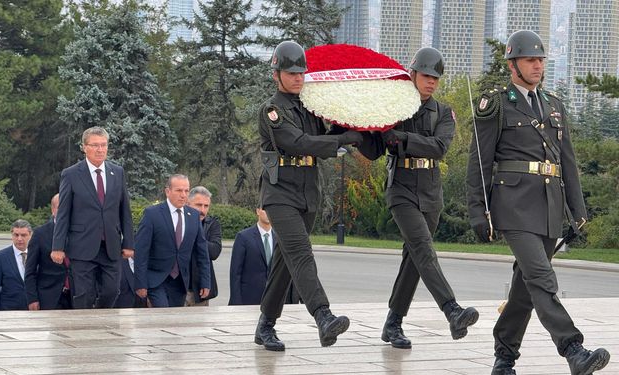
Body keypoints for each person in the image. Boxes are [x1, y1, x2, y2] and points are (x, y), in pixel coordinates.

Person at [467, 30, 610, 375]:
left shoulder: (554, 105)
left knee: (525, 287)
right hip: (512, 204)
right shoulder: (496, 103)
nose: (537, 66)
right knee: (542, 276)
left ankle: (504, 356)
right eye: (531, 60)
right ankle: (572, 348)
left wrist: (578, 209)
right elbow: (480, 160)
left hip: (549, 207)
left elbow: (567, 162)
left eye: (541, 60)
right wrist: (478, 210)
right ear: (513, 64)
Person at [359, 47, 479, 349]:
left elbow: (438, 147)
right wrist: (359, 130)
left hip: (430, 192)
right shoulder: (393, 109)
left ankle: (392, 325)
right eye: (426, 76)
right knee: (423, 249)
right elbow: (374, 151)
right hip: (401, 188)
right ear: (412, 74)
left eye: (436, 78)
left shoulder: (442, 113)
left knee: (414, 258)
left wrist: (402, 138)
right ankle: (452, 310)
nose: (431, 82)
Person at [255, 40, 363, 351]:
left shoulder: (309, 108)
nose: (298, 77)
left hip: (307, 193)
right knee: (301, 252)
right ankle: (323, 316)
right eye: (291, 72)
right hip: (279, 194)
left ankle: (265, 326)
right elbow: (300, 143)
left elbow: (322, 141)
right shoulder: (271, 111)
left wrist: (350, 130)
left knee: (285, 263)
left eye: (301, 72)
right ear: (276, 74)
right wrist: (342, 139)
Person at [51, 126, 134, 309]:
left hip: (110, 245)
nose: (100, 149)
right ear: (84, 147)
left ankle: (100, 321)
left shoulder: (117, 172)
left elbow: (124, 210)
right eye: (95, 145)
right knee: (83, 294)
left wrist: (128, 242)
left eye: (103, 145)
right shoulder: (71, 174)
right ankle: (83, 330)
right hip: (82, 246)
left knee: (113, 290)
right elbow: (63, 213)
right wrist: (58, 246)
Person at [134, 175, 211, 307]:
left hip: (180, 281)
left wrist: (205, 281)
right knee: (163, 315)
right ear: (168, 191)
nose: (183, 195)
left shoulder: (193, 216)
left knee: (175, 321)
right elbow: (141, 251)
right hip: (156, 280)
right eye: (179, 190)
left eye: (186, 191)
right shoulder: (152, 214)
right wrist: (140, 283)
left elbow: (202, 252)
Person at [25, 194, 71, 310]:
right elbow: (30, 271)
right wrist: (32, 298)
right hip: (49, 297)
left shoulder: (81, 233)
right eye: (61, 207)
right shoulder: (40, 234)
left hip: (76, 296)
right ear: (53, 210)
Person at [229, 207, 276, 305]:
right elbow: (235, 273)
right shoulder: (243, 237)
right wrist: (236, 301)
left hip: (273, 300)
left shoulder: (279, 238)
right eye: (265, 209)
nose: (269, 213)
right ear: (258, 211)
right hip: (249, 299)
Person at [186, 186, 221, 306]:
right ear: (187, 203)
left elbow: (214, 252)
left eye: (206, 206)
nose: (202, 210)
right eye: (198, 205)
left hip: (200, 290)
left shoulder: (212, 224)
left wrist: (195, 238)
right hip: (178, 288)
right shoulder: (178, 221)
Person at [0, 219, 32, 311]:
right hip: (8, 310)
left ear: (30, 235)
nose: (19, 239)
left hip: (33, 309)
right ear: (12, 235)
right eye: (16, 235)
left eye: (23, 235)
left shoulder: (36, 255)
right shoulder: (0, 257)